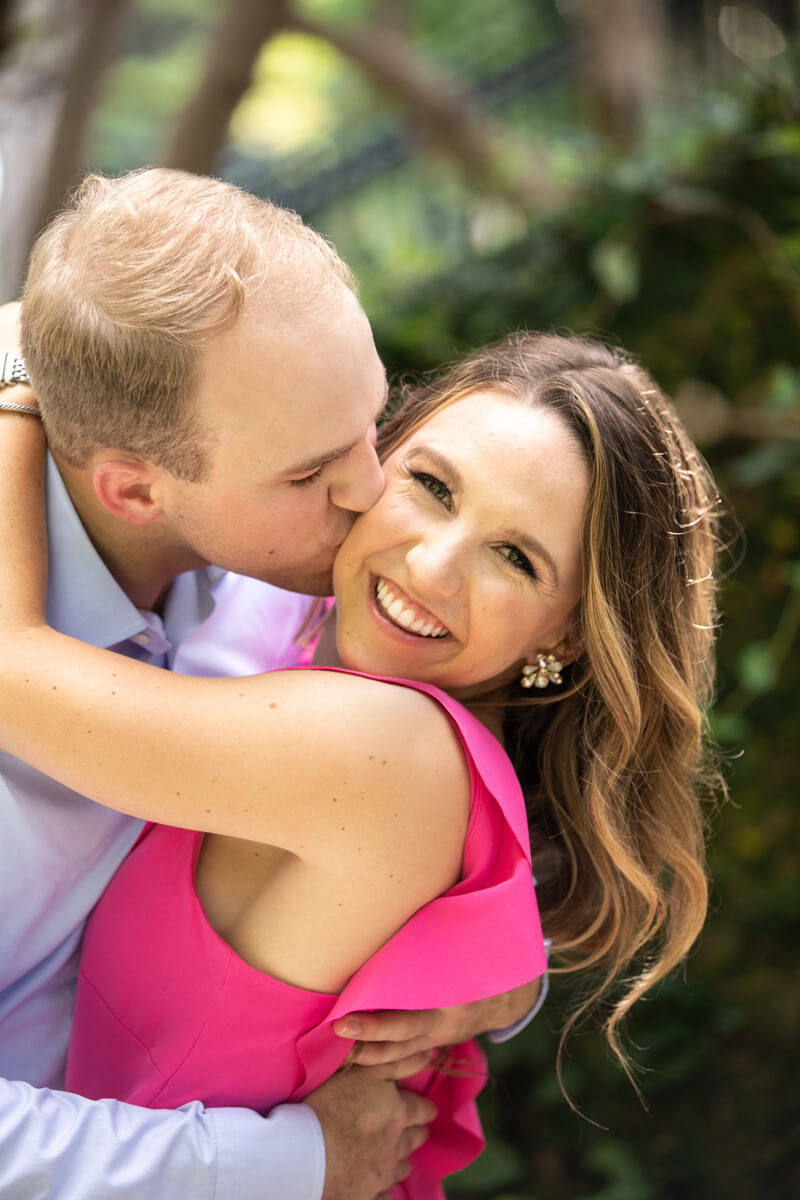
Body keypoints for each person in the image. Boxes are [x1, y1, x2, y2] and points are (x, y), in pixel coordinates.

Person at [0, 330, 723, 1196]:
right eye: (430, 485)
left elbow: (11, 672)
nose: (430, 565)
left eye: (516, 557)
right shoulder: (311, 641)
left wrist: (19, 378)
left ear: (566, 633)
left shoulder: (389, 744)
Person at [0, 169, 540, 1200]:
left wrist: (491, 981)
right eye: (307, 473)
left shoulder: (281, 576)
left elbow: (394, 826)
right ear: (133, 488)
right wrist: (289, 1165)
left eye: (372, 425)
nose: (372, 494)